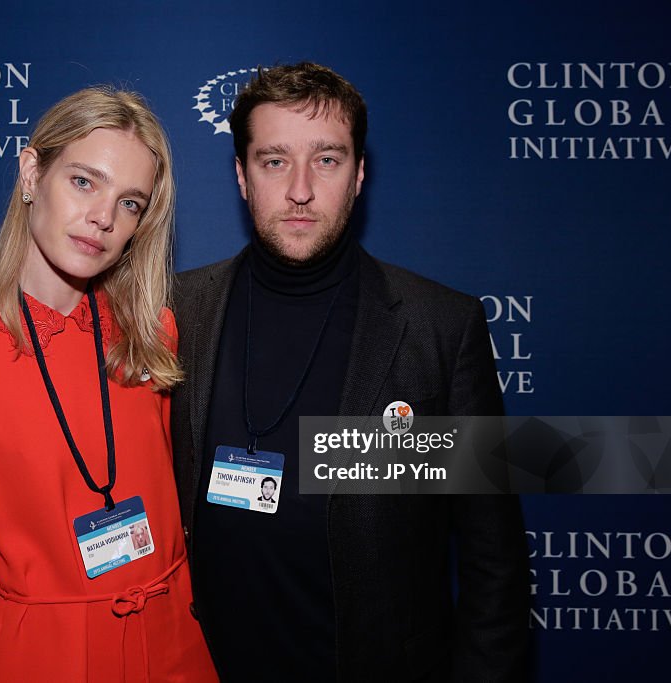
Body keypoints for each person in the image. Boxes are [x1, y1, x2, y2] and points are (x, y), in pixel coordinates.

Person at [171, 63, 529, 681]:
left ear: (360, 174)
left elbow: (492, 562)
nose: (301, 189)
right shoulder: (177, 312)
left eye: (328, 160)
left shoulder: (438, 328)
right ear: (241, 175)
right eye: (274, 160)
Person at [0, 87, 216, 683]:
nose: (104, 216)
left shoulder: (152, 334)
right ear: (31, 172)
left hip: (175, 641)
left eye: (130, 203)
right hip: (43, 658)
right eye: (84, 182)